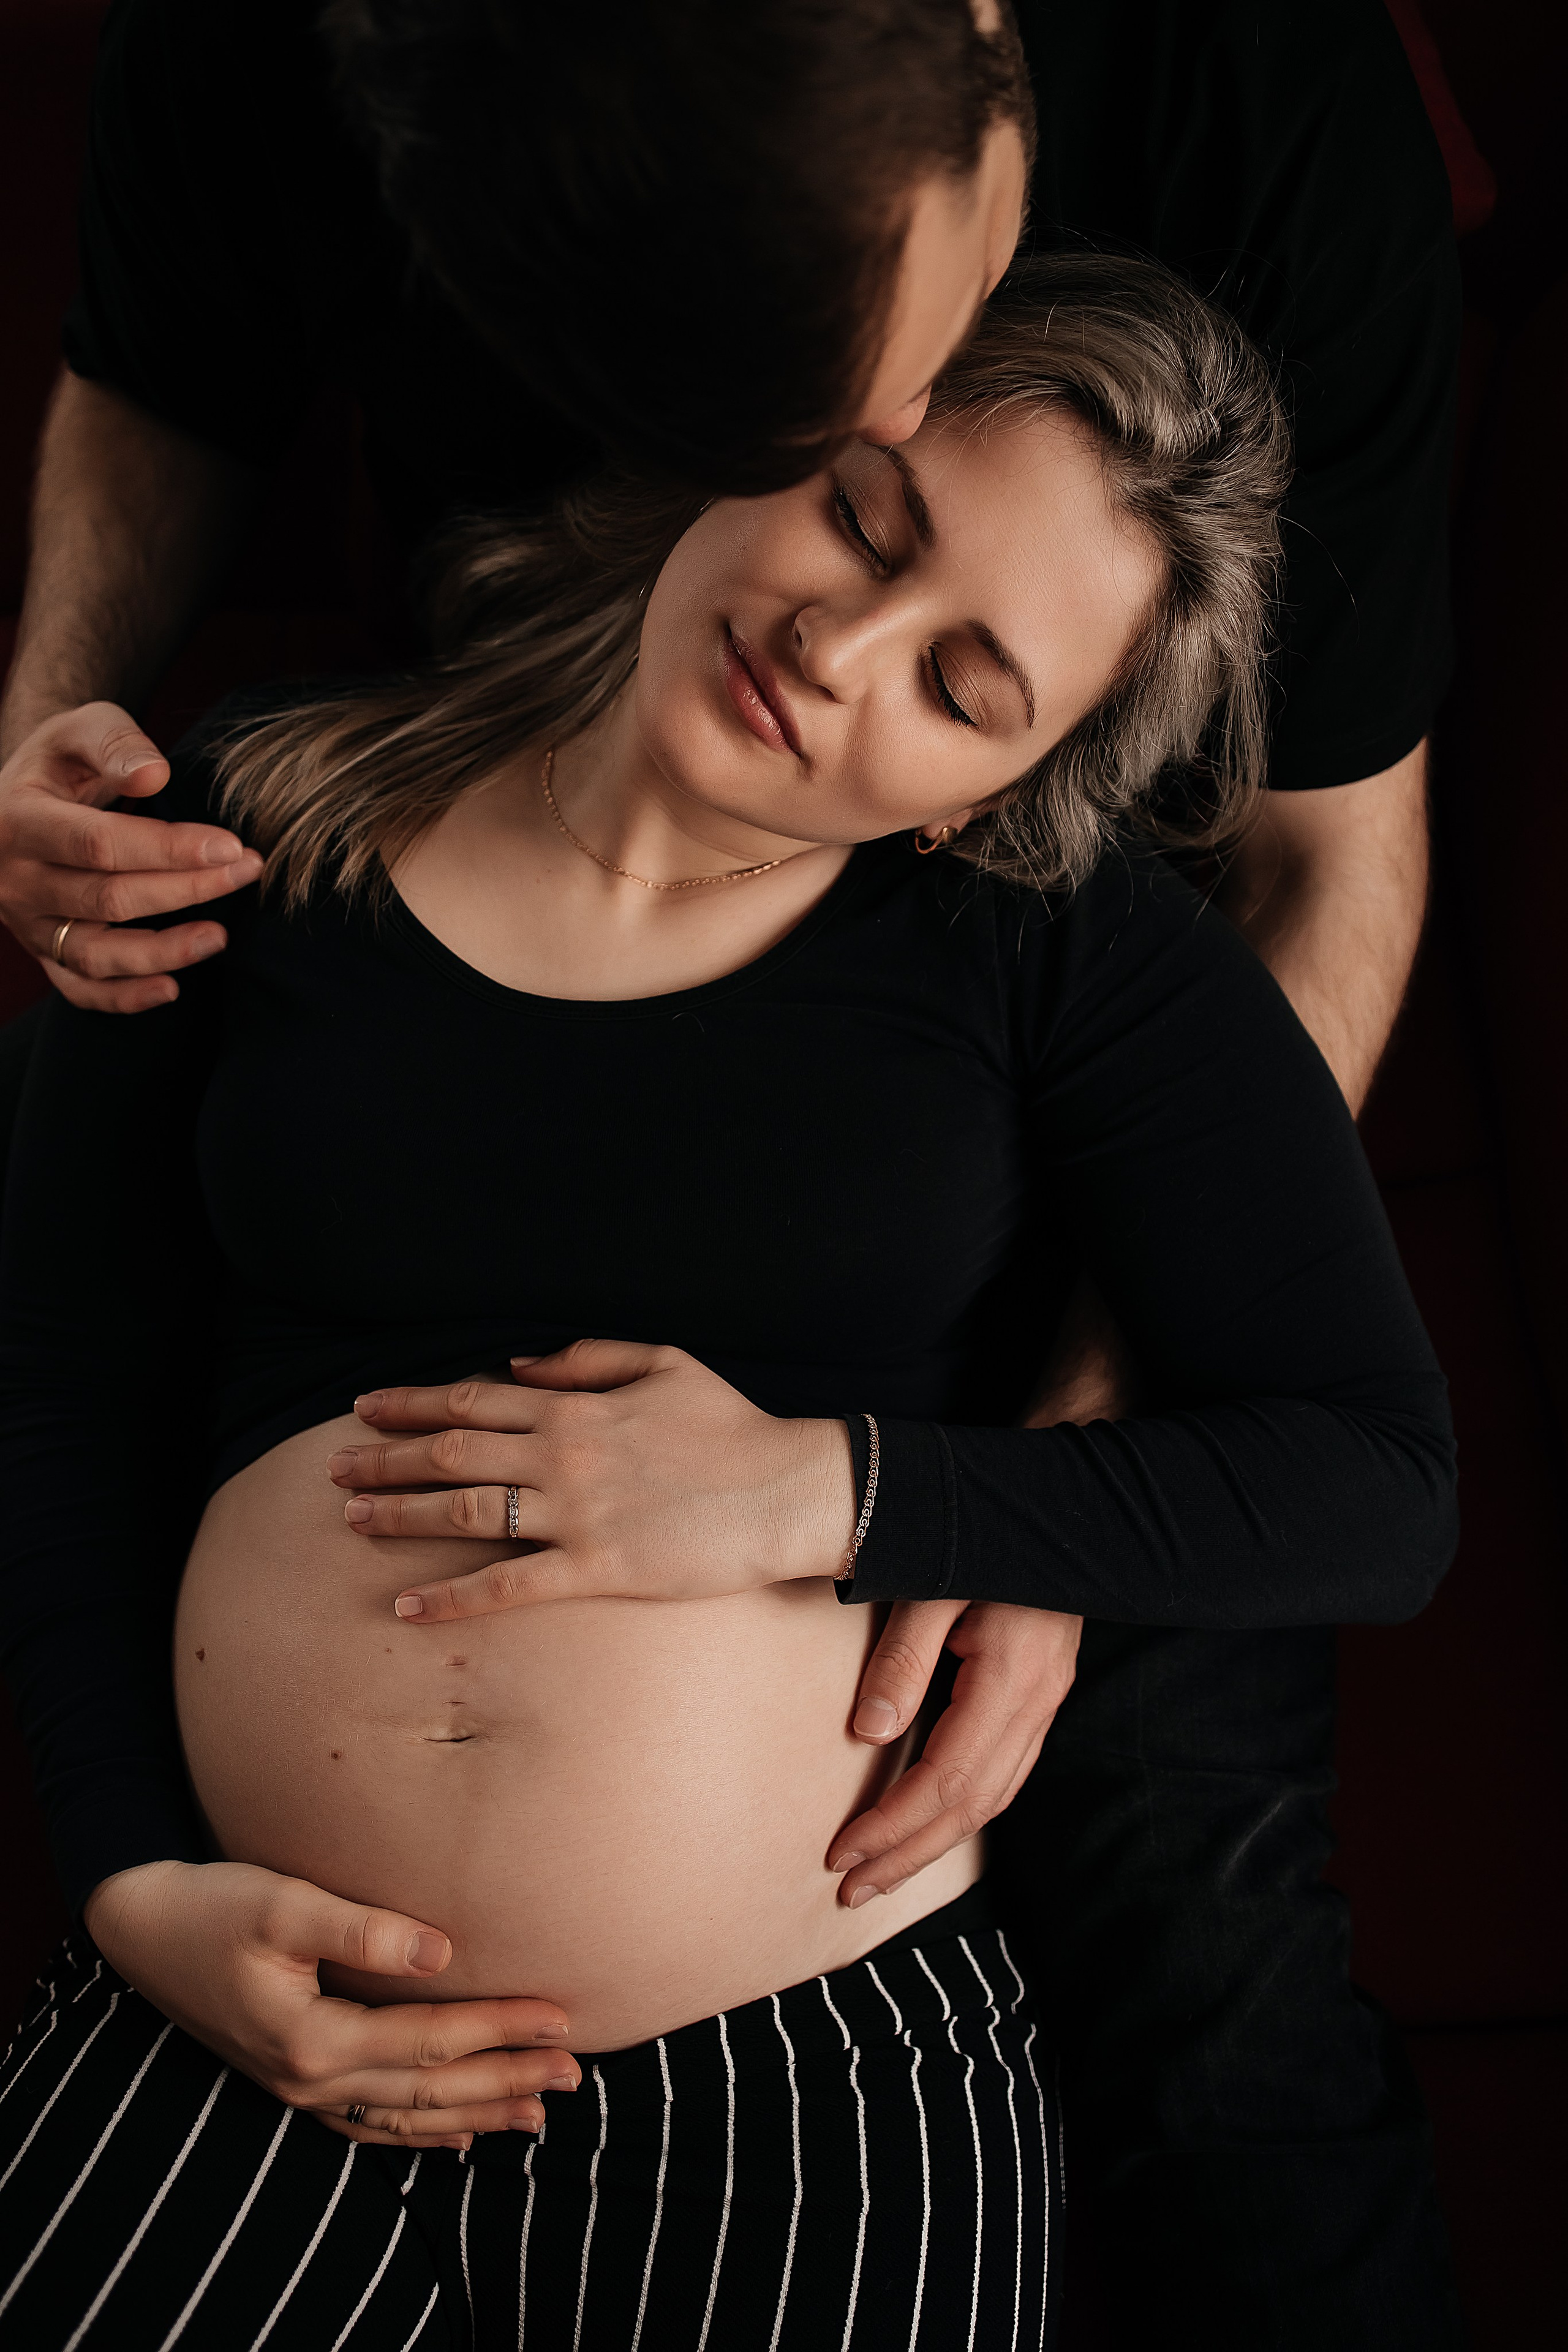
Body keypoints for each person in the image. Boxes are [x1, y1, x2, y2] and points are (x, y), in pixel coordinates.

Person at [0, 4, 1465, 2343]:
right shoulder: (247, 814)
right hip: (253, 2013)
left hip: (816, 2049)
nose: (842, 638)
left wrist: (856, 1495)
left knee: (1221, 1966)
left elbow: (1374, 1464)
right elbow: (58, 1392)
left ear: (1001, 789)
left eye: (967, 686)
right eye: (865, 516)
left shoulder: (1040, 954)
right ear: (758, 433)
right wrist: (125, 1885)